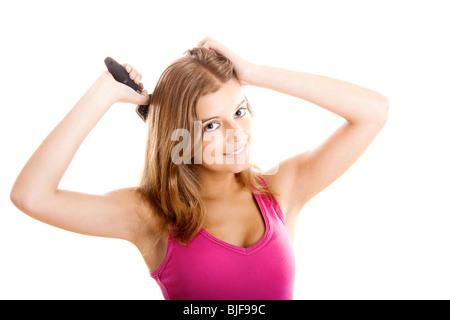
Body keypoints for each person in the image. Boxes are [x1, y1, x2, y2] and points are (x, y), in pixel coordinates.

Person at [10, 36, 389, 300]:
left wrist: (253, 72)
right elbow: (31, 195)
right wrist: (104, 92)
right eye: (211, 125)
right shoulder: (150, 215)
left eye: (239, 112)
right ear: (179, 136)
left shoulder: (281, 190)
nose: (236, 132)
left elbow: (373, 112)